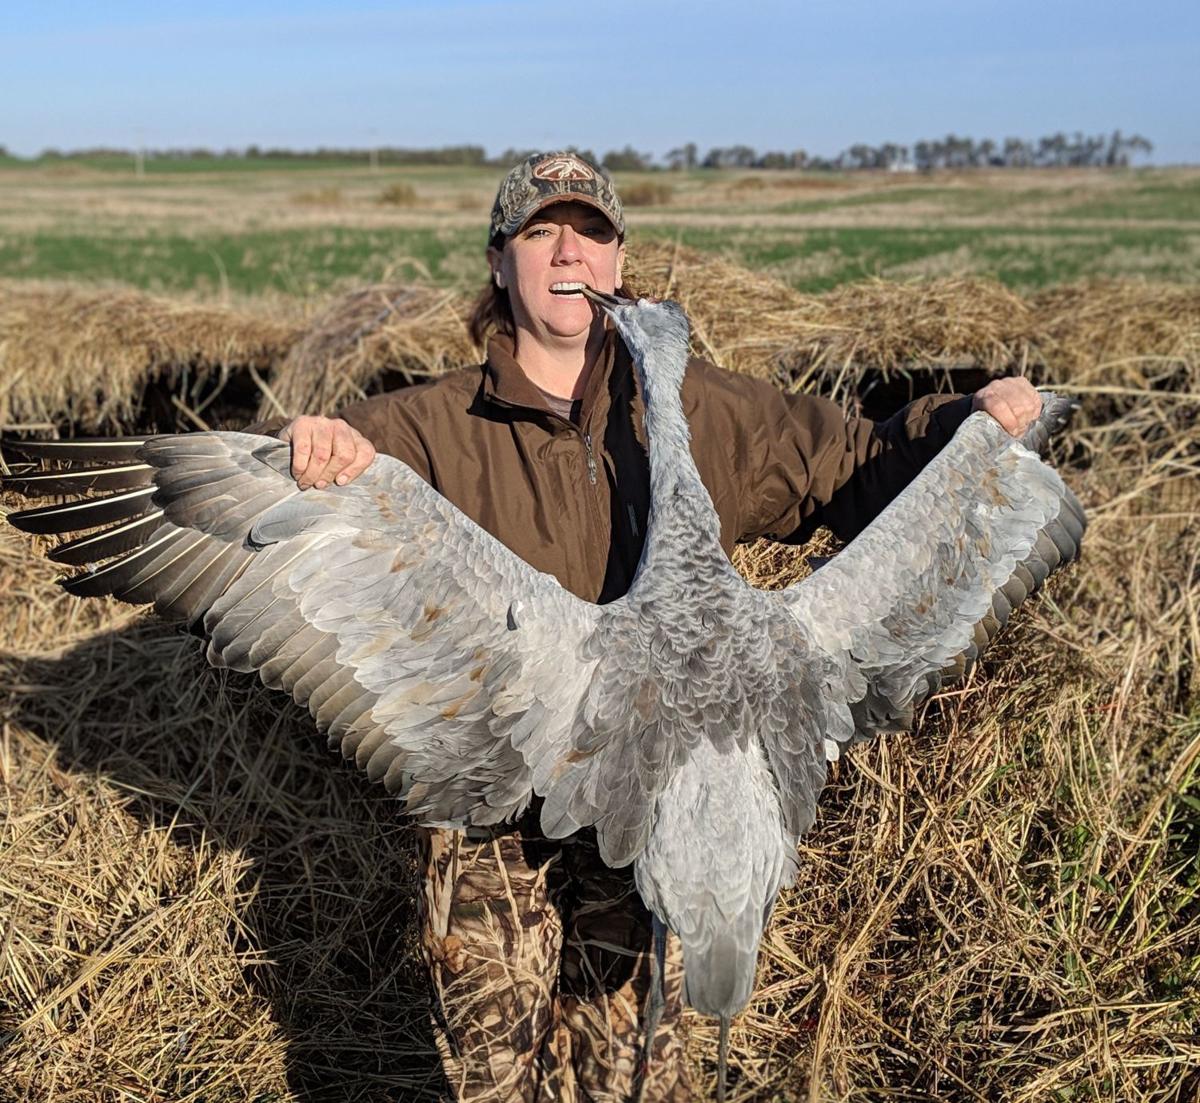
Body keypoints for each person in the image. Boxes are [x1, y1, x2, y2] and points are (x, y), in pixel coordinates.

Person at [267, 151, 1042, 1101]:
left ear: (618, 258)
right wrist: (317, 450)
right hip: (494, 812)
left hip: (652, 800)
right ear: (500, 261)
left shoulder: (703, 408)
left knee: (635, 1077)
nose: (568, 252)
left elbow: (858, 461)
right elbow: (299, 514)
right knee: (493, 1075)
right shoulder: (427, 425)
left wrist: (966, 420)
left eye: (590, 232)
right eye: (540, 232)